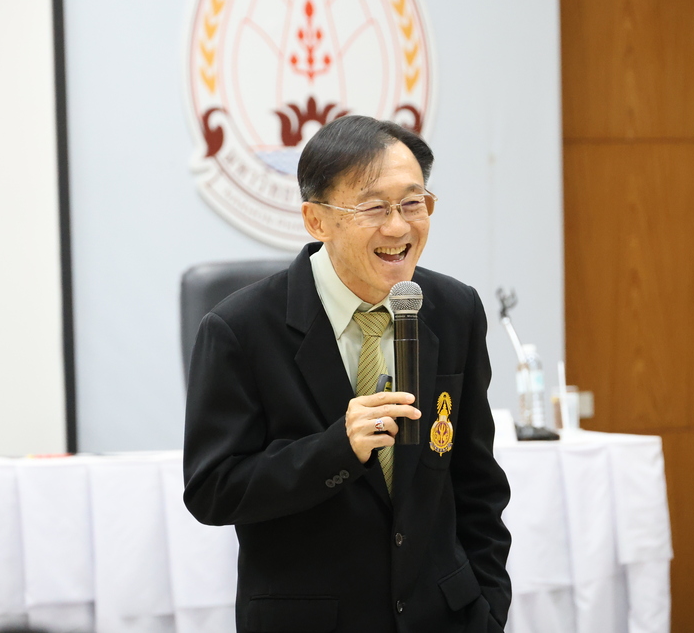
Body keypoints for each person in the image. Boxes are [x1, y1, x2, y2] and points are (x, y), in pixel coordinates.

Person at [183, 115, 511, 633]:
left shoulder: (454, 309)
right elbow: (212, 490)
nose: (398, 227)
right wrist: (337, 448)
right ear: (317, 220)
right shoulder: (239, 329)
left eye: (412, 203)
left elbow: (478, 481)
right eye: (374, 208)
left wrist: (488, 608)